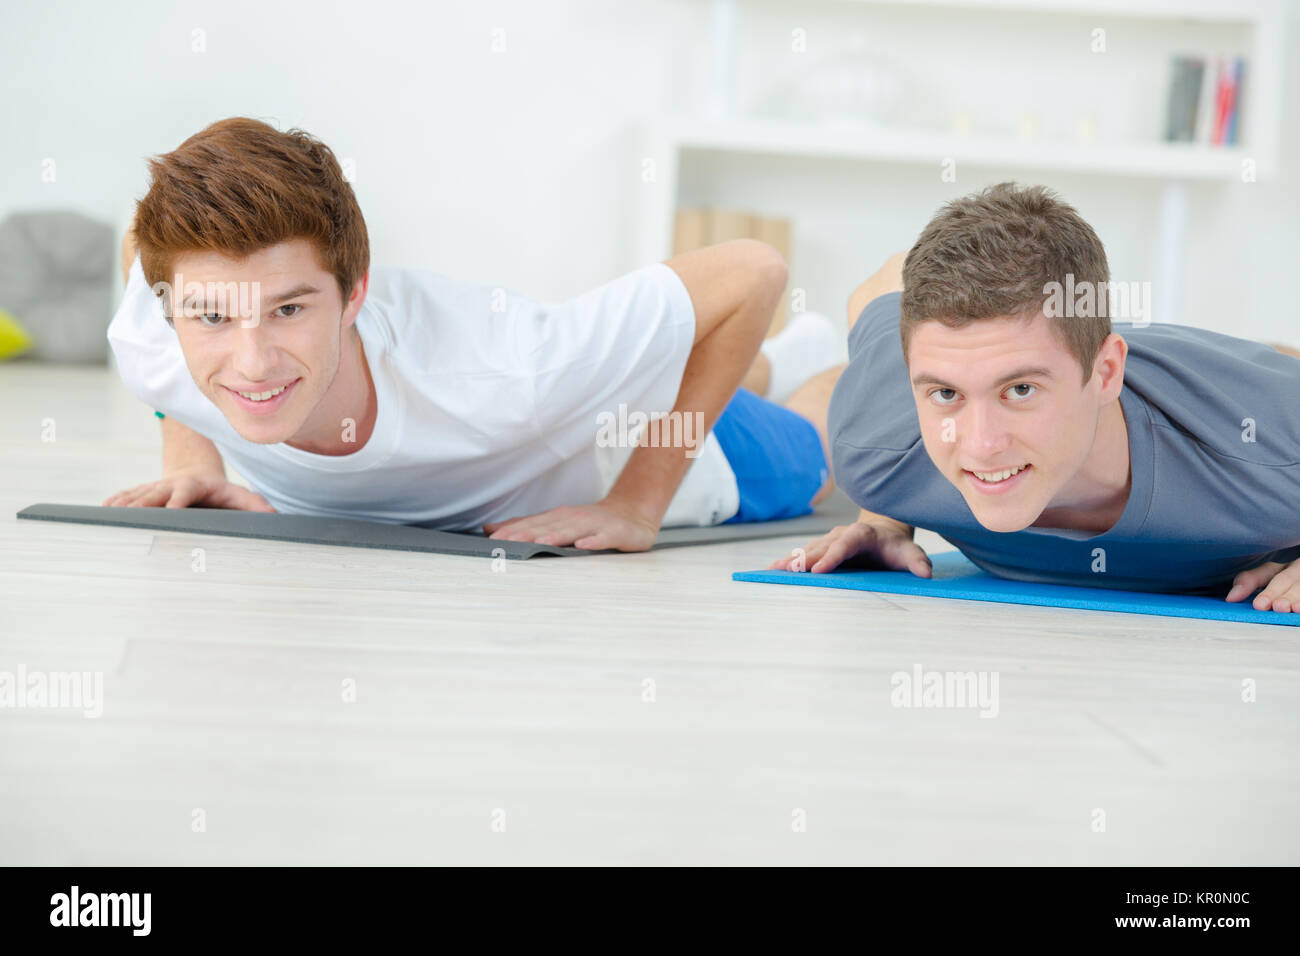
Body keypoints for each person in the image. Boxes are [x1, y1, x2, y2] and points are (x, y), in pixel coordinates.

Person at [104, 117, 843, 552]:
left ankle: (816, 369)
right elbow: (146, 230)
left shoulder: (510, 377)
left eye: (290, 311)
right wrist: (191, 453)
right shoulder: (158, 334)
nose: (252, 360)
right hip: (559, 397)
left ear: (355, 291)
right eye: (211, 317)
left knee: (830, 442)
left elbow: (753, 272)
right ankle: (772, 363)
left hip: (663, 442)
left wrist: (636, 505)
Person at [770, 182, 1300, 613]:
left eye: (1020, 390)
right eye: (946, 393)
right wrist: (884, 516)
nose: (981, 445)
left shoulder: (1267, 448)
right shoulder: (871, 449)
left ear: (1108, 369)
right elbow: (879, 292)